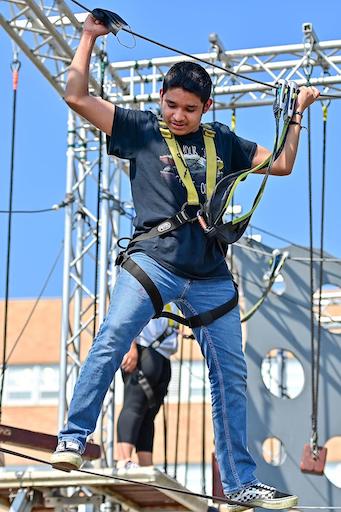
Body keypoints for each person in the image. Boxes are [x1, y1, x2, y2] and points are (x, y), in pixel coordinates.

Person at [51, 13, 320, 511]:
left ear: (207, 107)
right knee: (112, 338)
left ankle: (239, 481)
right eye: (171, 105)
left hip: (210, 275)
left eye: (189, 109)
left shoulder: (223, 141)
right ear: (160, 99)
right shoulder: (139, 129)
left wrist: (298, 111)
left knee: (232, 376)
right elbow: (76, 96)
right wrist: (87, 37)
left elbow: (281, 164)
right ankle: (72, 437)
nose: (178, 115)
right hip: (154, 261)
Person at [116, 314, 178, 472]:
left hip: (163, 354)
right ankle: (123, 460)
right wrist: (130, 346)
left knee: (148, 414)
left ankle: (146, 464)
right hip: (143, 348)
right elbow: (127, 312)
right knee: (134, 404)